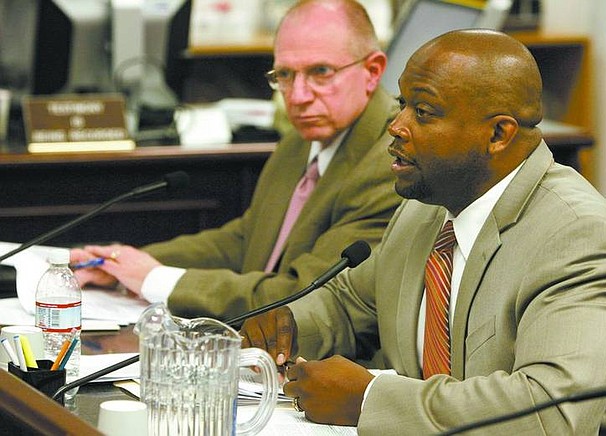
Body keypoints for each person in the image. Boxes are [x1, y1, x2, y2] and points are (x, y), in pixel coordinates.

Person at [239, 29, 606, 434]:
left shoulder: (579, 238)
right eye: (401, 103)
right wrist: (290, 325)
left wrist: (370, 399)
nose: (396, 125)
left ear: (498, 134)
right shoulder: (425, 209)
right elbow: (352, 301)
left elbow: (549, 414)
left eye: (422, 112)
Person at [70, 0, 401, 320]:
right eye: (285, 75)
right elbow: (247, 239)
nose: (297, 97)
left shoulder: (391, 163)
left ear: (372, 71)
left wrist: (156, 279)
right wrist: (123, 265)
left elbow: (307, 295)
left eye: (321, 72)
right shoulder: (303, 139)